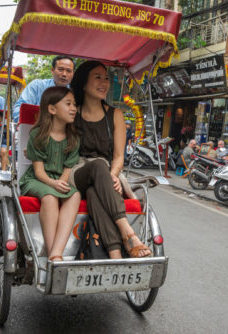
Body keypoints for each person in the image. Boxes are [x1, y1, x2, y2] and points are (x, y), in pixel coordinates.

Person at [69, 60, 151, 259]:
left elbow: (119, 156)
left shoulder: (116, 115)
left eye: (106, 78)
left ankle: (115, 253)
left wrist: (113, 176)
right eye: (97, 77)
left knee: (94, 191)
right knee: (97, 166)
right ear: (83, 83)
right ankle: (127, 233)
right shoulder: (72, 111)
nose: (104, 82)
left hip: (105, 174)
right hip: (77, 171)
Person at [19, 86, 81, 262]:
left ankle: (56, 252)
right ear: (52, 109)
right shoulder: (38, 135)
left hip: (58, 179)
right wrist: (54, 185)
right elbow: (39, 171)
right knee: (49, 198)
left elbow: (67, 170)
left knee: (74, 195)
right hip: (37, 179)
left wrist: (61, 184)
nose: (73, 108)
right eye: (68, 104)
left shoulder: (74, 138)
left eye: (74, 104)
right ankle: (53, 255)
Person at [12, 56, 75, 123]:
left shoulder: (75, 93)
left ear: (73, 74)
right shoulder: (37, 86)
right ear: (52, 70)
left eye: (68, 71)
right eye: (60, 69)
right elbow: (19, 110)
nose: (64, 74)